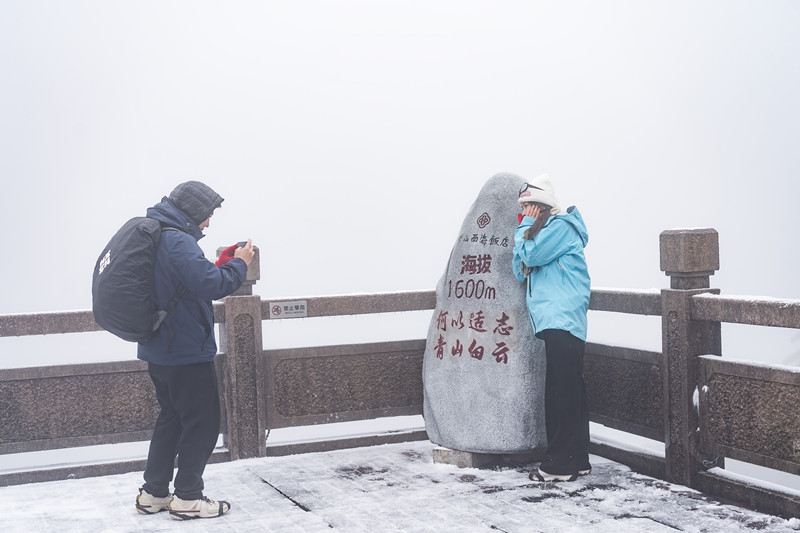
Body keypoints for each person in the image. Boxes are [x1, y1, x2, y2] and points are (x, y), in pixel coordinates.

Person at [134, 181, 255, 519]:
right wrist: (240, 264)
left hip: (161, 348)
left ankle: (154, 493)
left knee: (172, 418)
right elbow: (213, 285)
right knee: (202, 422)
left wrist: (221, 262)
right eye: (206, 215)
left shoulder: (161, 233)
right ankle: (188, 497)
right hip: (184, 349)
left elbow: (187, 281)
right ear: (192, 211)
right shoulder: (177, 240)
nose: (208, 222)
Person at [511, 174, 591, 482]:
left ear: (544, 207)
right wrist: (526, 233)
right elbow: (519, 270)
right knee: (570, 390)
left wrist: (522, 230)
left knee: (562, 392)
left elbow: (529, 255)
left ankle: (559, 464)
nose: (525, 212)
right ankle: (578, 459)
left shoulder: (560, 229)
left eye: (530, 206)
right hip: (557, 321)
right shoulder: (541, 233)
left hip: (563, 319)